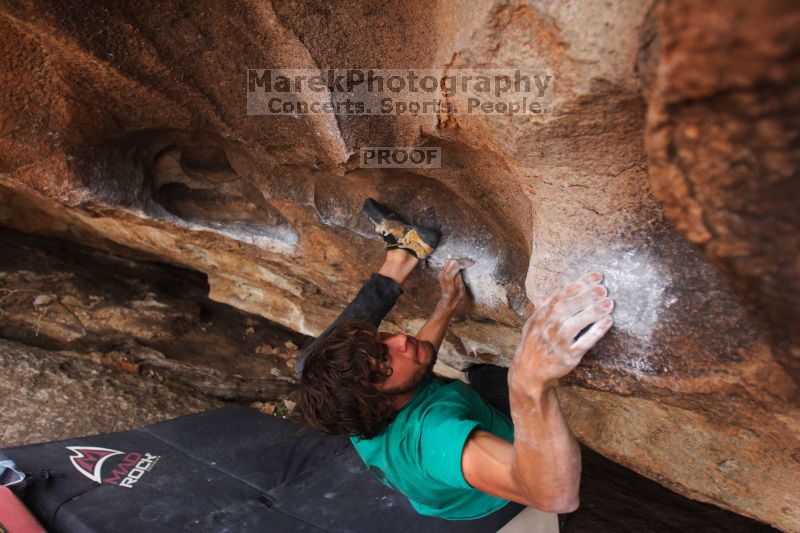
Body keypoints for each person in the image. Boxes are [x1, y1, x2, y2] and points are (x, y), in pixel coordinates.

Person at [296, 199, 614, 521]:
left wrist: (446, 305)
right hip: (502, 494)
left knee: (308, 364)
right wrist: (529, 384)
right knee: (516, 383)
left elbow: (412, 360)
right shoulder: (432, 436)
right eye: (384, 360)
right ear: (378, 404)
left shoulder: (350, 402)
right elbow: (554, 494)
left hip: (446, 470)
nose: (400, 339)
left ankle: (402, 254)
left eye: (381, 339)